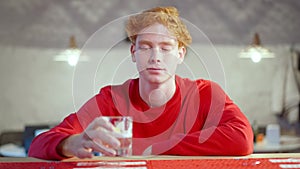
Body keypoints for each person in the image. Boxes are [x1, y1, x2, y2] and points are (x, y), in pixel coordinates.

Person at [28, 6, 253, 160]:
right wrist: (70, 144)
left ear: (180, 54)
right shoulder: (111, 99)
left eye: (165, 48)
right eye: (145, 47)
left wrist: (152, 146)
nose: (155, 57)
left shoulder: (205, 93)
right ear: (134, 52)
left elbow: (242, 138)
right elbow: (38, 145)